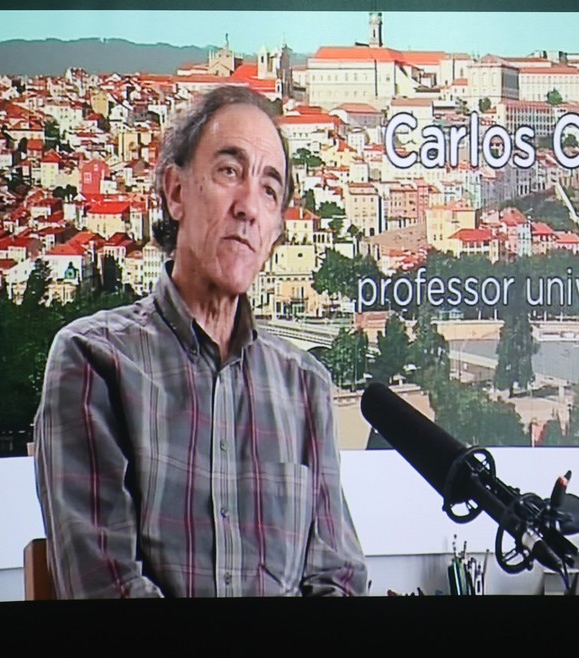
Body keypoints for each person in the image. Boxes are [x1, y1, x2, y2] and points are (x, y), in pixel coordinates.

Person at [34, 86, 368, 598]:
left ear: (276, 230)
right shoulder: (93, 360)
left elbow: (338, 579)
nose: (248, 207)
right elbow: (104, 588)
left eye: (269, 190)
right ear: (175, 192)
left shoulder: (305, 386)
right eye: (229, 172)